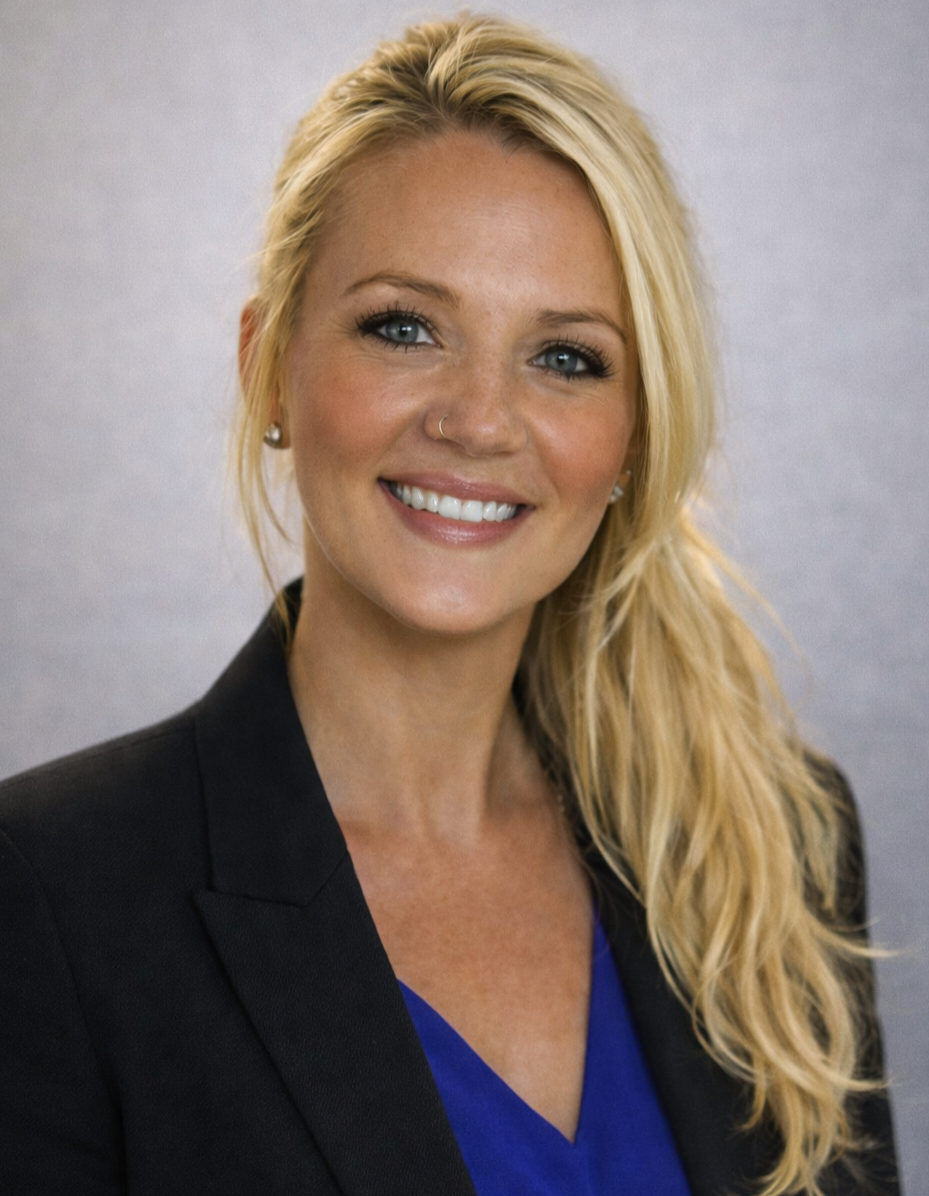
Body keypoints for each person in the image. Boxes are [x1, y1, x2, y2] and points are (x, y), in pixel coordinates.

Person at [0, 13, 899, 1196]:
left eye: (565, 356)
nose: (477, 420)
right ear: (268, 367)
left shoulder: (772, 847)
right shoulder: (51, 896)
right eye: (403, 327)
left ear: (633, 433)